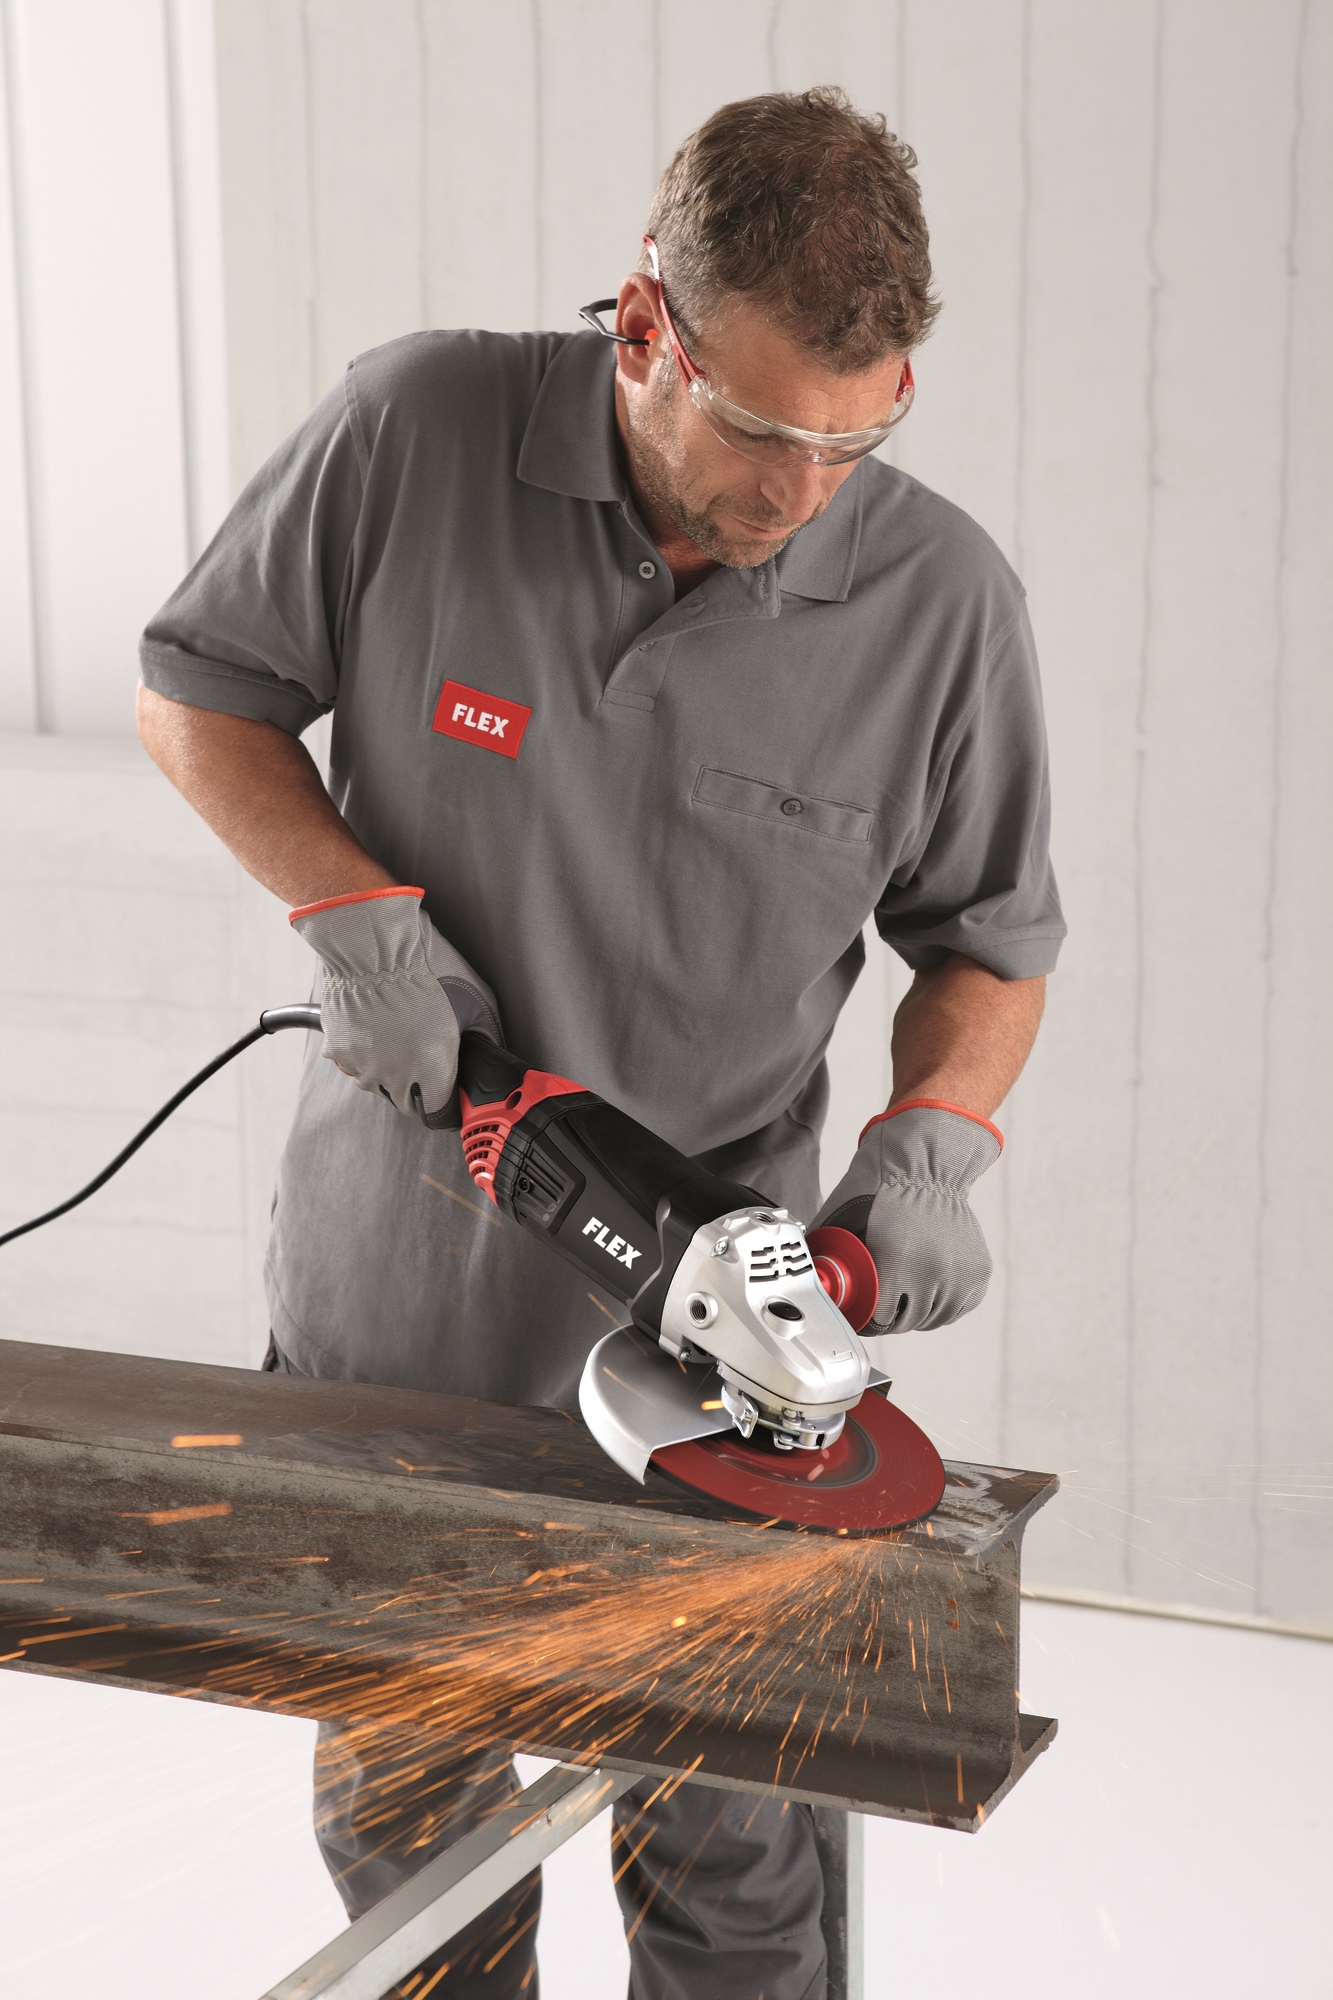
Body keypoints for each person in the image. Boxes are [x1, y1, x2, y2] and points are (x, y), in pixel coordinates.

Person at [139, 85, 1064, 2000]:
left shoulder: (942, 605)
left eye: (856, 437)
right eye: (760, 433)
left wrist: (935, 1144)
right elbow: (197, 690)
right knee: (412, 1847)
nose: (801, 493)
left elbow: (985, 945)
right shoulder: (413, 430)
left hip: (716, 1371)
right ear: (643, 324)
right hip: (392, 1309)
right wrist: (349, 912)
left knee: (729, 1856)